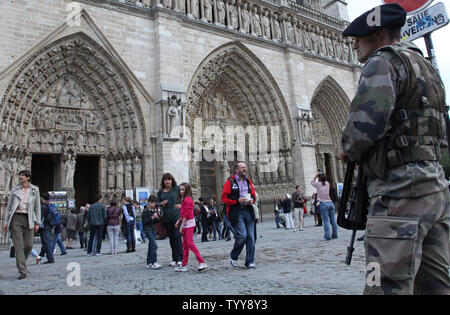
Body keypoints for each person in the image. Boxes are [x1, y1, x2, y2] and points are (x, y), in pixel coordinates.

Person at [341, 3, 450, 295]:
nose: (354, 44)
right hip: (435, 191)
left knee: (383, 284)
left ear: (378, 35)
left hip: (399, 193)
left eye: (359, 37)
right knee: (435, 286)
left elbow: (364, 128)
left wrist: (346, 148)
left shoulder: (382, 62)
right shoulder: (427, 67)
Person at [3, 170, 41, 279]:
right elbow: (9, 207)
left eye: (23, 175)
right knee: (18, 245)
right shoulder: (14, 190)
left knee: (29, 244)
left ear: (28, 178)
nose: (20, 177)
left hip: (29, 217)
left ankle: (21, 261)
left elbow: (37, 207)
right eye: (20, 175)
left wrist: (37, 222)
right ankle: (22, 270)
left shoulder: (34, 190)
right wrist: (6, 222)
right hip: (16, 218)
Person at [221, 162, 257, 269]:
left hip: (248, 210)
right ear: (236, 170)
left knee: (251, 237)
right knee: (242, 235)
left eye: (245, 167)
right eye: (242, 168)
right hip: (237, 212)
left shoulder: (248, 181)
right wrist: (237, 200)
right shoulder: (230, 182)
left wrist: (252, 200)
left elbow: (254, 195)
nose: (244, 169)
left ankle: (250, 261)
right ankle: (234, 255)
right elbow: (224, 199)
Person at [174, 183, 208, 272]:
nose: (181, 191)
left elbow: (187, 214)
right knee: (185, 245)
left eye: (183, 190)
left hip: (188, 224)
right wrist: (179, 220)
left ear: (187, 190)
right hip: (186, 223)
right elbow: (183, 212)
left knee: (190, 243)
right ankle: (184, 264)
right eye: (180, 190)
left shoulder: (188, 200)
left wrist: (181, 225)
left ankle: (202, 262)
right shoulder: (183, 199)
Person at [157, 173, 183, 266]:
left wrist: (181, 205)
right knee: (171, 239)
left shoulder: (177, 188)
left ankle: (180, 258)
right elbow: (157, 203)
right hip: (166, 217)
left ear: (172, 180)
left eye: (169, 179)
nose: (167, 181)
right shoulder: (161, 191)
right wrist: (161, 203)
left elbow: (186, 197)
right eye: (165, 179)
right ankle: (174, 258)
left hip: (176, 216)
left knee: (177, 237)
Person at [311, 172, 338, 241]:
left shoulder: (318, 184)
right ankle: (335, 234)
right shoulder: (327, 184)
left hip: (323, 203)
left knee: (326, 221)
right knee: (333, 220)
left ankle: (327, 236)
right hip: (330, 203)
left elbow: (312, 182)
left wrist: (316, 176)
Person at [142, 196, 161, 269]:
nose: (154, 205)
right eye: (152, 203)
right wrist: (152, 218)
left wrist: (157, 217)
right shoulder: (145, 211)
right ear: (149, 202)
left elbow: (157, 221)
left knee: (151, 245)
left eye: (155, 203)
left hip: (153, 229)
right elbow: (145, 222)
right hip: (147, 229)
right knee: (154, 245)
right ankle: (154, 262)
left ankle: (149, 262)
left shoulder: (153, 211)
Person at [38, 192, 55, 264]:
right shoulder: (50, 205)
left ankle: (50, 258)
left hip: (44, 226)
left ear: (42, 198)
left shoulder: (43, 206)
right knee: (46, 241)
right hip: (50, 225)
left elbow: (40, 217)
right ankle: (40, 256)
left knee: (46, 242)